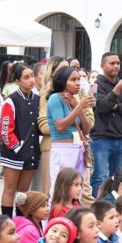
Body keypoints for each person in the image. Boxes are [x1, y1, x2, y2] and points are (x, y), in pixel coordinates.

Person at [90, 53, 122, 196]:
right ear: (102, 66)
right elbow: (102, 107)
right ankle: (97, 208)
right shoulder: (95, 85)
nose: (116, 66)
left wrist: (116, 106)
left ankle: (113, 207)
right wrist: (116, 90)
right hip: (101, 139)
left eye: (118, 63)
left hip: (121, 139)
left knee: (118, 178)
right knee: (100, 177)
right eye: (111, 63)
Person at [0, 63, 40, 217]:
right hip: (14, 153)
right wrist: (18, 147)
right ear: (17, 81)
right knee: (10, 189)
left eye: (32, 76)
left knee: (23, 192)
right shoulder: (11, 100)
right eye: (26, 77)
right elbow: (4, 130)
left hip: (32, 151)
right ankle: (6, 221)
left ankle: (21, 222)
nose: (32, 80)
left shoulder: (38, 99)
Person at [46, 66, 94, 195]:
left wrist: (79, 107)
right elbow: (60, 126)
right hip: (63, 150)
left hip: (78, 148)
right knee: (60, 190)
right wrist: (79, 107)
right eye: (73, 80)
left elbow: (86, 129)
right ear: (62, 82)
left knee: (77, 191)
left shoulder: (75, 99)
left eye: (78, 79)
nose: (78, 83)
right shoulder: (55, 98)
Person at [37, 57, 74, 194]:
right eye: (62, 69)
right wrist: (69, 126)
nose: (67, 72)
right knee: (51, 192)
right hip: (52, 147)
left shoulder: (78, 94)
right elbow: (44, 126)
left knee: (73, 192)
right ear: (52, 72)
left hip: (75, 148)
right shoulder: (46, 96)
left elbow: (89, 121)